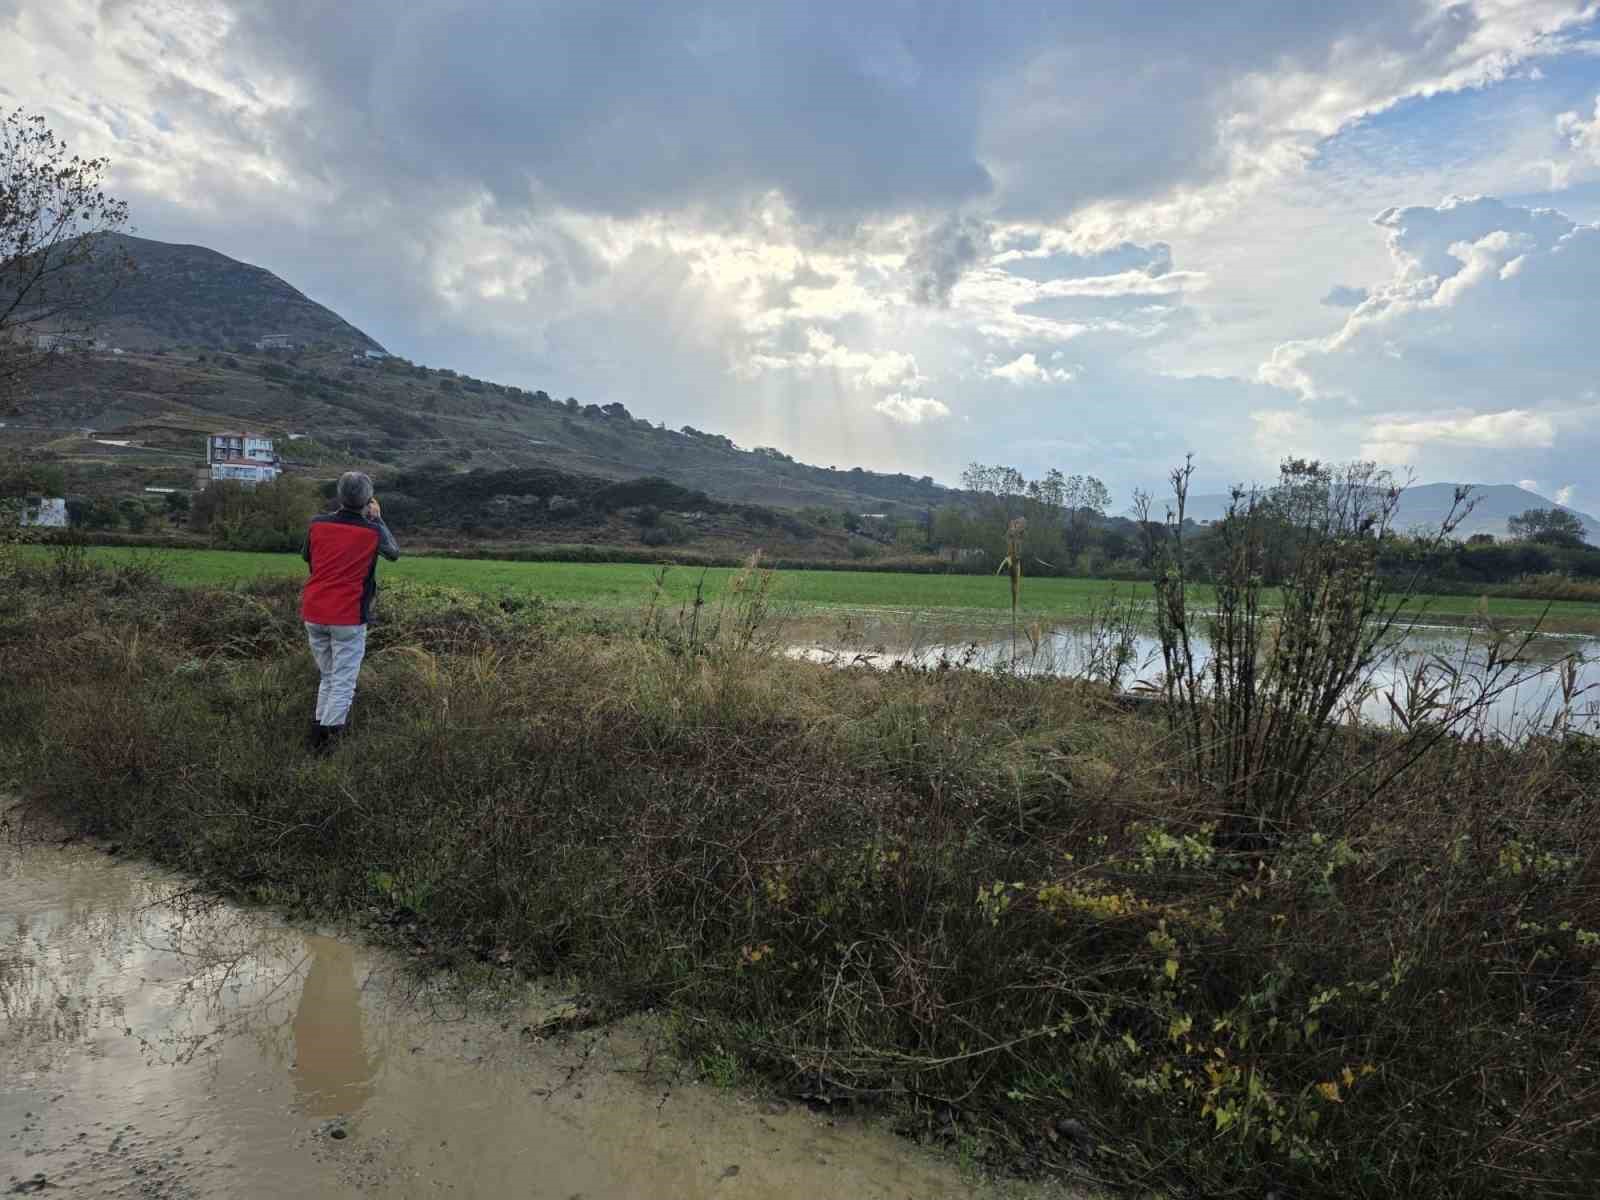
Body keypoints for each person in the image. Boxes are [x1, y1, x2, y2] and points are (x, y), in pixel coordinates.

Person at [301, 471, 400, 751]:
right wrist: (378, 519)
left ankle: (316, 736)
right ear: (368, 500)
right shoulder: (372, 530)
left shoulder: (317, 524)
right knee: (343, 681)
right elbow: (393, 552)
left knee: (328, 676)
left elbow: (307, 556)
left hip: (314, 609)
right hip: (348, 614)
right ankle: (326, 746)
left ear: (339, 495)